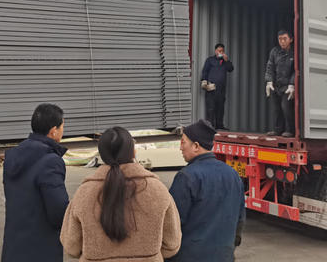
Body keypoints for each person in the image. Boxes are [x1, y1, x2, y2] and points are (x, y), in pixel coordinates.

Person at [60, 126, 181, 262]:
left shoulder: (84, 193)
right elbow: (171, 245)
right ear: (133, 152)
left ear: (102, 154)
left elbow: (71, 246)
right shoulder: (157, 190)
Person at [167, 119, 245, 262]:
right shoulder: (233, 174)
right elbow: (240, 219)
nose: (180, 148)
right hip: (224, 256)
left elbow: (172, 223)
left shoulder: (186, 177)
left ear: (196, 146)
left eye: (183, 142)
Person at [1, 103, 69, 262]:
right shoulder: (51, 161)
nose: (63, 131)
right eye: (62, 127)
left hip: (14, 245)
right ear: (54, 131)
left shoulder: (14, 156)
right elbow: (58, 212)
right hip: (40, 248)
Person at [265, 29, 295, 137]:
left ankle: (290, 130)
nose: (282, 41)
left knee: (286, 107)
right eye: (280, 39)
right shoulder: (275, 51)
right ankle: (277, 130)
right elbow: (270, 67)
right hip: (276, 85)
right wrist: (269, 81)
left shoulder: (294, 52)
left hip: (288, 86)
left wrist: (292, 84)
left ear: (291, 39)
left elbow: (296, 70)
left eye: (284, 39)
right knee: (276, 109)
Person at [201, 43, 234, 130]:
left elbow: (230, 69)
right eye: (219, 51)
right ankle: (210, 126)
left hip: (221, 89)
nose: (221, 52)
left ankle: (219, 125)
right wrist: (204, 81)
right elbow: (205, 71)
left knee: (220, 108)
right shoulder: (210, 60)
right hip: (211, 88)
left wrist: (227, 60)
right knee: (211, 108)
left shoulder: (225, 61)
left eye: (222, 51)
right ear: (215, 51)